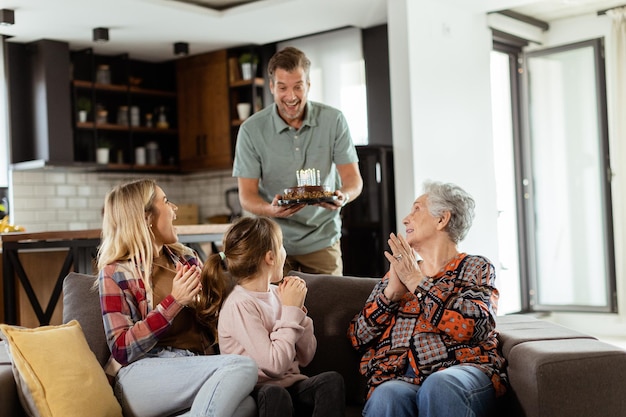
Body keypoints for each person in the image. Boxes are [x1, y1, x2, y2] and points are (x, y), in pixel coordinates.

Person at [96, 178, 258, 417]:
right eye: (166, 201)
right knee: (243, 367)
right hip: (142, 376)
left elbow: (216, 326)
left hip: (193, 367)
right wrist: (175, 302)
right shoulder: (115, 272)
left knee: (246, 408)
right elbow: (122, 348)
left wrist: (204, 306)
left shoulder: (187, 258)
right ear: (147, 217)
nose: (175, 209)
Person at [347, 180, 508, 417]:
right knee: (387, 395)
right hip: (400, 377)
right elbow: (357, 338)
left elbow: (476, 325)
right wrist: (391, 295)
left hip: (460, 371)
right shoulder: (397, 275)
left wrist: (417, 282)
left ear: (442, 219)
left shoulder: (475, 267)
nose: (406, 219)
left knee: (439, 386)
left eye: (416, 209)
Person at [232, 46, 363, 276]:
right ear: (271, 87)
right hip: (272, 241)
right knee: (275, 311)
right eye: (282, 87)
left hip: (323, 238)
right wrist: (270, 209)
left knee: (332, 309)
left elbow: (354, 181)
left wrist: (343, 197)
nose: (291, 97)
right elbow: (247, 196)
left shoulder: (334, 120)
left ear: (308, 85)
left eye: (298, 87)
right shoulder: (251, 130)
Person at [211, 216, 345, 417]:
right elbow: (274, 366)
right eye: (281, 245)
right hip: (257, 388)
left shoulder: (278, 294)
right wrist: (291, 311)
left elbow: (306, 356)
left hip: (290, 384)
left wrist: (299, 311)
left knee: (331, 381)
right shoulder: (240, 304)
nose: (285, 252)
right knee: (275, 393)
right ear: (270, 257)